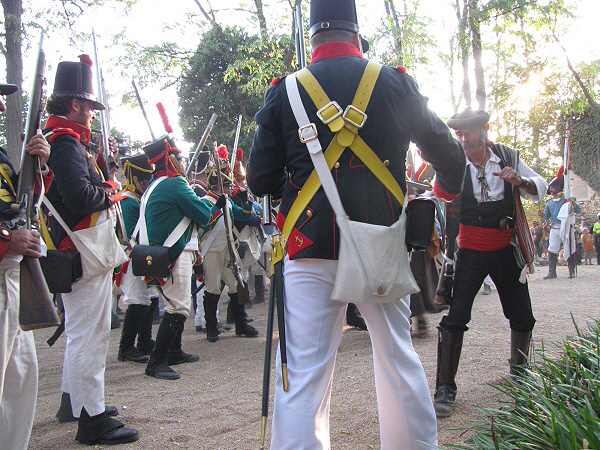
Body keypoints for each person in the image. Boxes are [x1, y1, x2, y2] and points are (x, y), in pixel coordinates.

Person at [247, 1, 466, 447]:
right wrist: (439, 194)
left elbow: (260, 180)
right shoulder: (394, 82)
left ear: (313, 39)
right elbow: (450, 158)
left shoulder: (285, 91)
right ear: (358, 36)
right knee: (397, 358)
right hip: (379, 243)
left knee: (302, 372)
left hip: (308, 246)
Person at [43, 55, 138, 444]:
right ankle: (92, 418)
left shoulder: (65, 141)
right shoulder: (65, 142)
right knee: (90, 336)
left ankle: (76, 402)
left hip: (77, 250)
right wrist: (112, 188)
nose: (92, 113)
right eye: (88, 106)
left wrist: (100, 164)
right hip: (83, 249)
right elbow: (81, 197)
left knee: (81, 332)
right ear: (74, 104)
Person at [433, 108, 547, 419]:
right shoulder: (454, 161)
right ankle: (445, 388)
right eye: (459, 134)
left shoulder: (507, 156)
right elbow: (438, 192)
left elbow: (540, 185)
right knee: (456, 317)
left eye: (468, 132)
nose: (463, 139)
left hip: (506, 251)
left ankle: (520, 374)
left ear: (484, 129)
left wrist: (520, 180)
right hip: (469, 253)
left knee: (522, 315)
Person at [0, 82, 53, 450]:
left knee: (19, 382)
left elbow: (18, 206)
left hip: (11, 272)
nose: (3, 108)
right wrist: (7, 240)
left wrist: (38, 166)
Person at [140, 136, 214, 380]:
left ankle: (174, 351)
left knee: (178, 304)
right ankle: (156, 362)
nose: (183, 162)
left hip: (166, 251)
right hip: (172, 254)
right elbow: (203, 215)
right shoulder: (175, 183)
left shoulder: (155, 184)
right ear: (171, 159)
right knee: (178, 307)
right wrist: (207, 201)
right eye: (180, 158)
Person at [200, 148, 260, 343]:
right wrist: (216, 207)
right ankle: (211, 327)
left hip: (229, 249)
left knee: (236, 286)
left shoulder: (227, 202)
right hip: (212, 251)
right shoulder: (205, 201)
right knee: (213, 288)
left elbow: (244, 215)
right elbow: (203, 222)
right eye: (227, 186)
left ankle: (241, 324)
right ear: (219, 186)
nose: (230, 188)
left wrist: (245, 201)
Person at [115, 153, 159, 363]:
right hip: (130, 258)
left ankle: (144, 341)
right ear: (134, 179)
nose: (147, 183)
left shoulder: (138, 200)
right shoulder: (127, 201)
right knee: (137, 301)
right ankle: (125, 348)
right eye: (144, 180)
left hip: (142, 256)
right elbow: (131, 234)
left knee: (149, 299)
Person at [543, 173, 580, 279]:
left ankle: (571, 271)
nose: (551, 189)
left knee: (569, 247)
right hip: (555, 227)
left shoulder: (568, 199)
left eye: (552, 187)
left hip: (567, 227)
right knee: (552, 248)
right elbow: (547, 216)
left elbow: (578, 210)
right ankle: (552, 272)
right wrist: (542, 215)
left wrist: (573, 203)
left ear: (558, 187)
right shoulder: (549, 202)